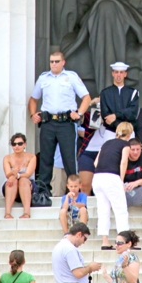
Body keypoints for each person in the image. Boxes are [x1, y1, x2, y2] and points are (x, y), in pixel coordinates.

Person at [28, 49, 91, 195]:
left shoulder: (71, 77)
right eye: (51, 61)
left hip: (66, 123)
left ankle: (74, 192)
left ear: (63, 62)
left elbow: (86, 98)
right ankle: (43, 192)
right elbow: (33, 99)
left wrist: (79, 113)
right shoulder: (44, 78)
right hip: (48, 122)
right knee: (45, 158)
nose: (54, 64)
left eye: (57, 61)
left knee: (69, 159)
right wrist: (33, 114)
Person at [92, 121, 133, 249]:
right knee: (120, 210)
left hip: (97, 177)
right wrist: (121, 180)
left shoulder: (106, 143)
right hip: (112, 177)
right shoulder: (125, 145)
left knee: (103, 210)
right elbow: (123, 162)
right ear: (129, 134)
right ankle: (122, 241)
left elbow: (95, 163)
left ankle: (105, 241)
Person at [2, 133, 36, 219]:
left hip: (27, 186)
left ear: (25, 144)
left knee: (23, 180)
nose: (17, 146)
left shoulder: (31, 157)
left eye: (20, 143)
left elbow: (27, 174)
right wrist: (12, 176)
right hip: (12, 186)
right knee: (12, 180)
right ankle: (7, 213)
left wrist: (15, 175)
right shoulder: (7, 158)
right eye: (14, 144)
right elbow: (7, 174)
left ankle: (26, 212)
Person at [100, 61, 140, 134]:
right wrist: (119, 126)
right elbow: (106, 115)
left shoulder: (133, 92)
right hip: (110, 132)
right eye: (116, 72)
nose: (118, 75)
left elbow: (132, 113)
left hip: (128, 132)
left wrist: (115, 116)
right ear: (112, 73)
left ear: (125, 74)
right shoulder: (105, 93)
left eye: (121, 72)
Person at [77, 96, 102, 196]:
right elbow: (78, 117)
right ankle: (83, 205)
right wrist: (90, 103)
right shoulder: (90, 115)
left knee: (102, 187)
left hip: (106, 153)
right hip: (88, 151)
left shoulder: (115, 116)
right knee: (85, 186)